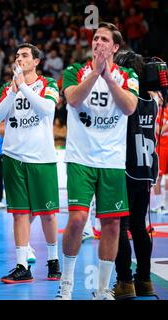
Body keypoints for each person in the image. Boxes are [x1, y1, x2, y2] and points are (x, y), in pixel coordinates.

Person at [55, 22, 138, 300]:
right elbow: (74, 100)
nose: (98, 42)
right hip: (80, 158)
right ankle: (66, 284)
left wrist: (109, 78)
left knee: (112, 225)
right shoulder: (74, 71)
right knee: (77, 219)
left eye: (104, 39)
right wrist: (95, 73)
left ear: (115, 47)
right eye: (95, 38)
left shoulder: (127, 74)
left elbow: (129, 107)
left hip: (112, 161)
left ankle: (102, 289)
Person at [0, 43, 61, 284]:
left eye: (24, 56)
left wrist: (23, 87)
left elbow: (46, 109)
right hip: (13, 157)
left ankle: (53, 260)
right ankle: (22, 266)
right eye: (17, 56)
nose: (19, 59)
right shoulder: (6, 88)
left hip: (41, 157)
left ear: (36, 62)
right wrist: (13, 90)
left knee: (48, 214)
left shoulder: (48, 84)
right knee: (19, 214)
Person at [113, 50, 160, 299]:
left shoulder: (125, 100)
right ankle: (145, 279)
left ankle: (124, 281)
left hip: (126, 167)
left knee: (120, 227)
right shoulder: (153, 101)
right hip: (145, 170)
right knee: (140, 226)